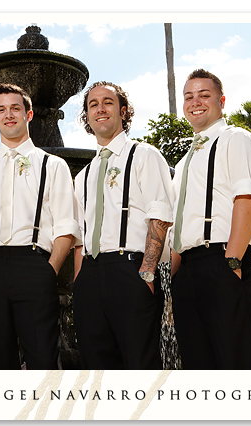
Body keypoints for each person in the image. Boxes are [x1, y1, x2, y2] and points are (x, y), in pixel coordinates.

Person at [0, 83, 80, 370]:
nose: (8, 115)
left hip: (34, 266)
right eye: (1, 109)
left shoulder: (54, 166)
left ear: (29, 114)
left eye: (15, 108)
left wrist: (49, 271)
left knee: (44, 361)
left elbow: (65, 227)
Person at [169, 69, 251, 369]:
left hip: (225, 260)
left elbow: (249, 200)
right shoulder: (184, 160)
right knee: (200, 366)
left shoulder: (237, 139)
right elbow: (180, 225)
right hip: (188, 271)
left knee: (241, 362)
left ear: (221, 101)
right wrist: (173, 280)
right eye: (189, 96)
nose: (195, 102)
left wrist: (232, 264)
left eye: (204, 95)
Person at [73, 81, 174, 370]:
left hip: (131, 270)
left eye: (108, 102)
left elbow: (160, 215)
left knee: (140, 365)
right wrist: (81, 284)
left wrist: (146, 274)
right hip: (91, 277)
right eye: (93, 104)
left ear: (123, 111)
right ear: (87, 116)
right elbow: (81, 238)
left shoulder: (145, 155)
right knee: (96, 368)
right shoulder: (83, 176)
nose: (100, 109)